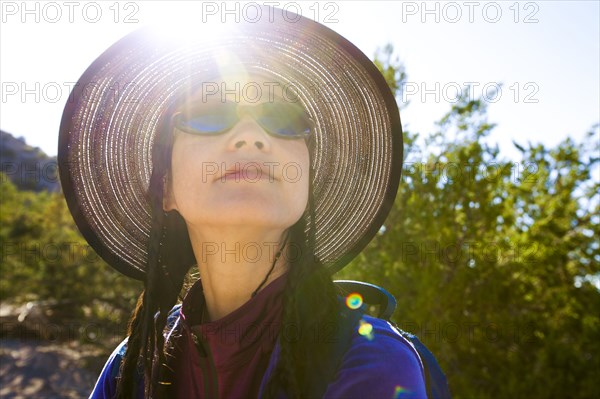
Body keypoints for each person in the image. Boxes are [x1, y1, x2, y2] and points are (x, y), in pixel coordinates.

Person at [58, 6, 434, 399]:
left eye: (284, 118)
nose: (252, 135)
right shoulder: (131, 370)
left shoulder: (371, 363)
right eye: (209, 112)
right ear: (165, 187)